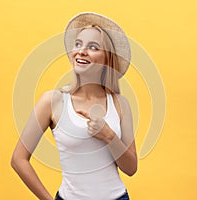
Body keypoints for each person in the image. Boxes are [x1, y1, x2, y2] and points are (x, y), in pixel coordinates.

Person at [11, 12, 138, 200]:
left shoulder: (120, 104)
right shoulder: (53, 102)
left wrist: (108, 135)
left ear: (107, 59)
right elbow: (18, 160)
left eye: (93, 47)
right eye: (78, 44)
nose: (81, 51)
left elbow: (131, 168)